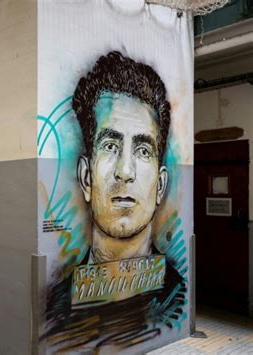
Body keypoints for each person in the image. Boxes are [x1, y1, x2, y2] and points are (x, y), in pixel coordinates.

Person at [44, 52, 185, 352]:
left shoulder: (179, 297)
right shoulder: (55, 308)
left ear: (160, 186)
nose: (125, 171)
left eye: (144, 151)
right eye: (110, 145)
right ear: (85, 177)